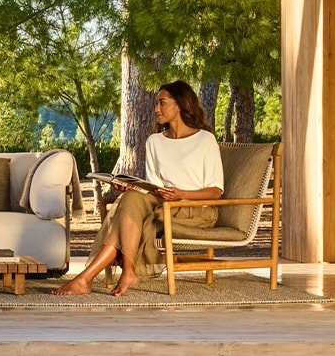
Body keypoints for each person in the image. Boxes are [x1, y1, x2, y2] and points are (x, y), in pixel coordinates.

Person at [53, 80, 223, 296]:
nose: (156, 109)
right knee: (131, 198)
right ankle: (126, 271)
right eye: (156, 103)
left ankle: (86, 278)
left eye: (162, 103)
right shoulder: (155, 141)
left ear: (179, 104)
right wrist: (129, 186)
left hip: (197, 210)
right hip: (163, 206)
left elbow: (216, 191)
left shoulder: (205, 140)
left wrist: (181, 194)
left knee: (125, 212)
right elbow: (154, 188)